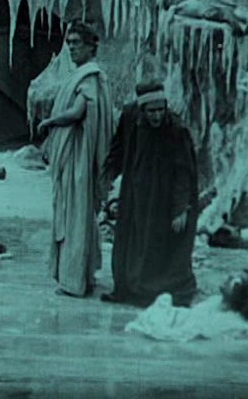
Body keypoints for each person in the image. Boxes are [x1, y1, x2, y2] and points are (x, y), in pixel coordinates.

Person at [100, 81, 199, 307]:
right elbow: (118, 148)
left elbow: (184, 172)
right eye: (151, 111)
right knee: (131, 240)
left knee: (157, 243)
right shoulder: (130, 117)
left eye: (161, 110)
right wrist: (108, 177)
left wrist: (180, 208)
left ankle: (152, 290)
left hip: (162, 195)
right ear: (142, 109)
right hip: (134, 193)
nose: (157, 116)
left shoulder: (176, 130)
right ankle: (131, 286)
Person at [37, 21, 114, 297]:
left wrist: (50, 121)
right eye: (69, 43)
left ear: (91, 46)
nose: (71, 48)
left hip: (79, 156)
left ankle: (73, 281)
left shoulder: (90, 76)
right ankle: (84, 275)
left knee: (75, 215)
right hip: (76, 154)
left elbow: (79, 111)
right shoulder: (86, 75)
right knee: (78, 214)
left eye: (77, 43)